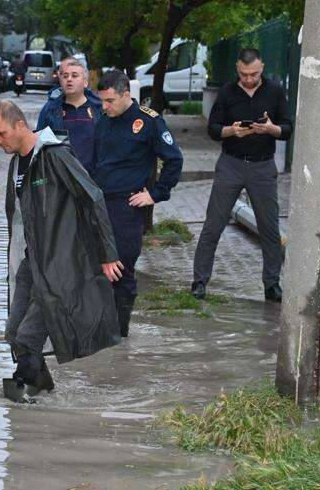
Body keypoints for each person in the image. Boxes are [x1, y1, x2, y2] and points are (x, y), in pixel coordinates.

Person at [0, 99, 123, 403]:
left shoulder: (55, 156)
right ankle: (43, 392)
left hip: (60, 267)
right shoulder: (16, 165)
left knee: (28, 336)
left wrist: (108, 254)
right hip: (31, 263)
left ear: (20, 125)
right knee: (14, 334)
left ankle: (25, 398)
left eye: (1, 133)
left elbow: (93, 198)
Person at [191, 48, 293, 302]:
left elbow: (289, 128)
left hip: (262, 166)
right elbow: (213, 129)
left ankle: (272, 284)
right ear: (237, 68)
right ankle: (199, 281)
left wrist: (271, 129)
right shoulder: (226, 92)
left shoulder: (276, 92)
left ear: (262, 68)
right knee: (213, 224)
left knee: (270, 228)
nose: (249, 79)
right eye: (244, 74)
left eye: (254, 74)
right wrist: (231, 131)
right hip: (231, 164)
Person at [94, 70, 184, 336]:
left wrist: (155, 194)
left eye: (110, 100)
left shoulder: (149, 121)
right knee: (97, 267)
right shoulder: (102, 120)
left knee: (121, 269)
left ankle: (119, 333)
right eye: (102, 100)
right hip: (99, 205)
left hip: (126, 207)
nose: (105, 106)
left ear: (126, 95)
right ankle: (99, 329)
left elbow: (174, 160)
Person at [35, 58, 103, 176]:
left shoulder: (99, 109)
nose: (69, 79)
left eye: (75, 75)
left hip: (93, 179)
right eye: (65, 76)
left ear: (85, 82)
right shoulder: (50, 110)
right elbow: (39, 144)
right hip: (61, 179)